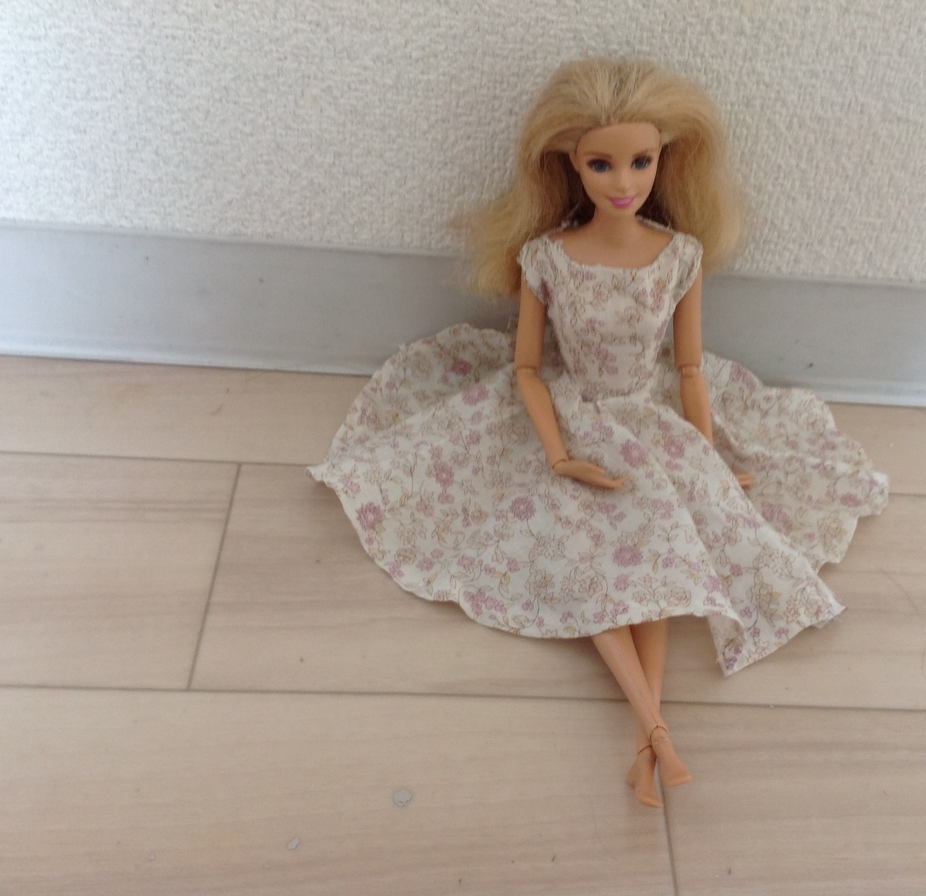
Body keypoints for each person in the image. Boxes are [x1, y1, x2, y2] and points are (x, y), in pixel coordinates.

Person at [310, 58, 888, 808]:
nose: (624, 182)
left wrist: (706, 453)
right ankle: (655, 733)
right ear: (570, 163)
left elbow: (688, 369)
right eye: (602, 163)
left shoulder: (679, 257)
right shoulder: (547, 257)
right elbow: (525, 369)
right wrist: (557, 452)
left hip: (647, 414)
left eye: (641, 161)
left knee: (661, 553)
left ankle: (653, 737)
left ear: (666, 158)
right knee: (588, 553)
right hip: (572, 412)